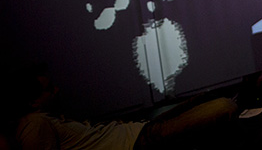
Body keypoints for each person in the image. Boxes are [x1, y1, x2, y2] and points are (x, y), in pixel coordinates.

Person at [9, 62, 239, 149]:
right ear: (33, 101)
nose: (57, 90)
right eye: (49, 89)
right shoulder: (34, 124)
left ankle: (246, 94)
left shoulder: (46, 119)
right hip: (138, 141)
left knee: (202, 98)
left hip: (137, 129)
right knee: (222, 106)